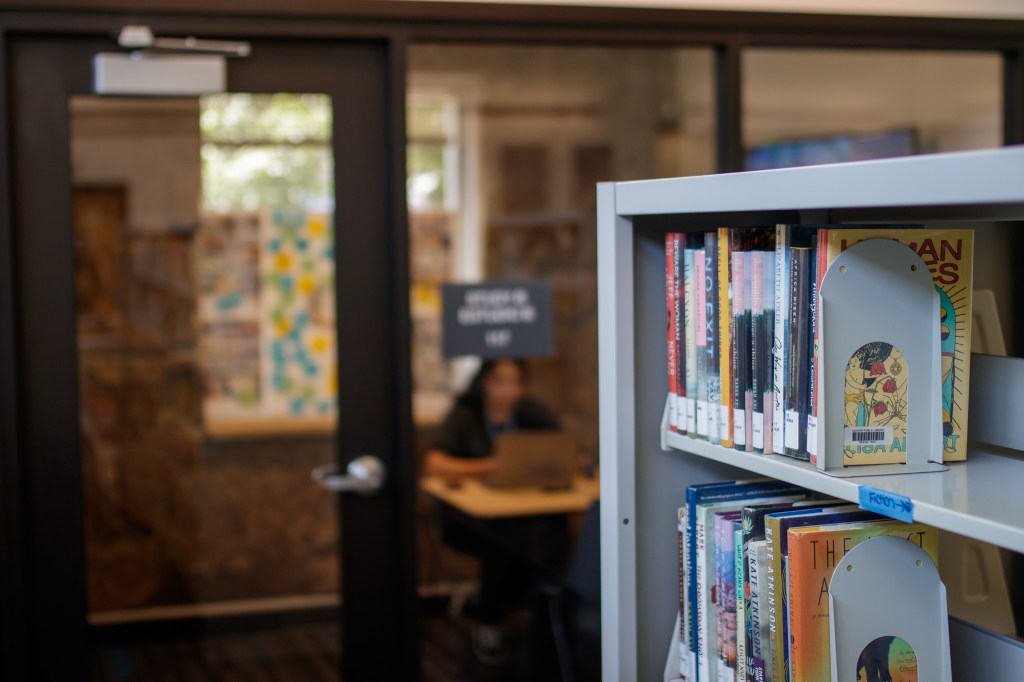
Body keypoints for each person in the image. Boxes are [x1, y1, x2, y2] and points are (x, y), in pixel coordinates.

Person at [424, 358, 567, 666]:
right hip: (469, 520)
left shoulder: (531, 413)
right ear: (484, 383)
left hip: (523, 511)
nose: (508, 391)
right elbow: (434, 464)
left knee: (550, 530)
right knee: (508, 543)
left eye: (515, 382)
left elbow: (559, 450)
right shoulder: (465, 416)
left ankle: (542, 614)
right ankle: (490, 617)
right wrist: (489, 468)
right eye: (499, 382)